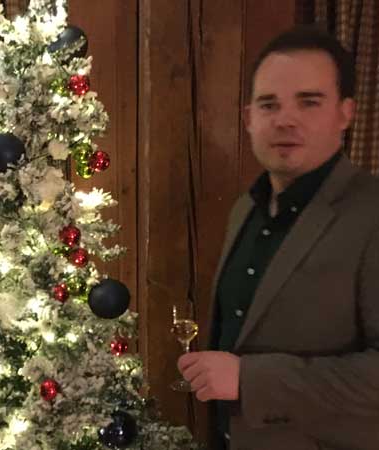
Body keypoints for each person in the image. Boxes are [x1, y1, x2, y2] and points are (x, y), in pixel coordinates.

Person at [178, 26, 379, 450]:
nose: (285, 118)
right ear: (249, 118)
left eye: (309, 101)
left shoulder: (372, 212)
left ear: (345, 113)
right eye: (269, 104)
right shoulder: (244, 209)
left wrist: (250, 379)